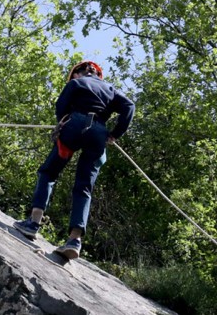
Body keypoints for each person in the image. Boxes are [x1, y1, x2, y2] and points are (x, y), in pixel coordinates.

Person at [14, 60, 135, 260]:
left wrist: (62, 121)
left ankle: (33, 223)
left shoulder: (76, 83)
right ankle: (74, 241)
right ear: (97, 74)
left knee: (49, 172)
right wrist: (114, 134)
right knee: (84, 187)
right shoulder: (110, 89)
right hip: (98, 132)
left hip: (74, 124)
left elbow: (61, 105)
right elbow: (129, 106)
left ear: (78, 73)